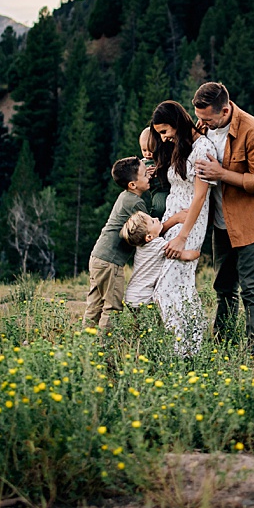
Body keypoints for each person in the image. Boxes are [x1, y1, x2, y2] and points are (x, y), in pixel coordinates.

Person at [191, 82, 254, 355]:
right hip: (220, 224)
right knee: (224, 288)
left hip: (251, 222)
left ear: (225, 110)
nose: (201, 123)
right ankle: (223, 347)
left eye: (206, 118)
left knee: (252, 290)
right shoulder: (205, 126)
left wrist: (222, 174)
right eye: (199, 117)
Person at [151, 100, 218, 356]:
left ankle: (184, 349)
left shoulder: (202, 148)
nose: (164, 138)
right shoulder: (181, 146)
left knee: (165, 290)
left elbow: (200, 198)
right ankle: (194, 348)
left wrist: (182, 237)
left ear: (177, 123)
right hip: (173, 218)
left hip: (190, 224)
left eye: (166, 131)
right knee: (182, 287)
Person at [83, 157, 150, 330]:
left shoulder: (125, 196)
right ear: (132, 185)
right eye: (145, 174)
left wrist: (146, 172)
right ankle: (106, 352)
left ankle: (84, 346)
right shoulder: (135, 203)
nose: (149, 176)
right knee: (112, 307)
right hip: (110, 262)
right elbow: (149, 229)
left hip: (98, 256)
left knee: (95, 306)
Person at [139, 126, 170, 220]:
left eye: (151, 150)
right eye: (144, 150)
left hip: (165, 188)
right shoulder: (142, 163)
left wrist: (160, 170)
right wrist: (144, 173)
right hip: (157, 191)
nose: (147, 154)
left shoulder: (163, 160)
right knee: (159, 208)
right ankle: (152, 221)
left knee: (162, 207)